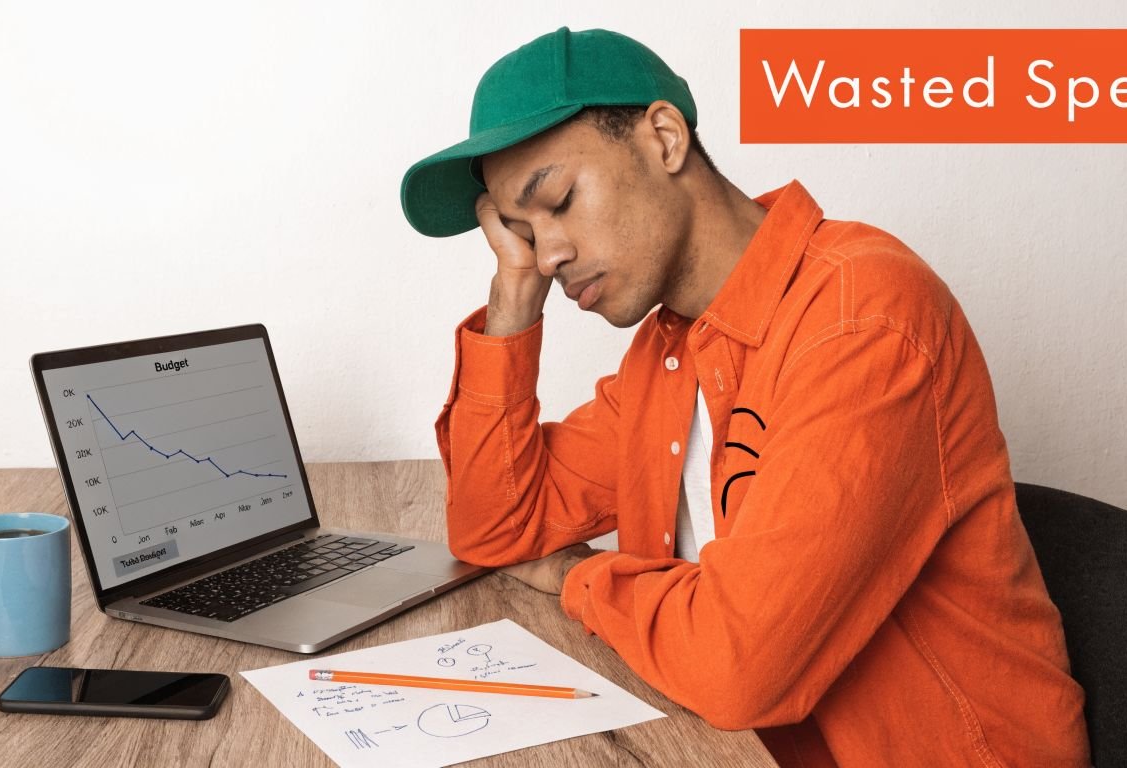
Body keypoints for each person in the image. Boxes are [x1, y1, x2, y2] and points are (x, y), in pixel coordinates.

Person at [400, 27, 1091, 768]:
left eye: (559, 201)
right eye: (520, 234)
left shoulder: (863, 320)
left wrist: (577, 576)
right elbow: (495, 528)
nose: (548, 255)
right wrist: (513, 301)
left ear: (664, 138)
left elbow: (739, 668)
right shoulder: (670, 353)